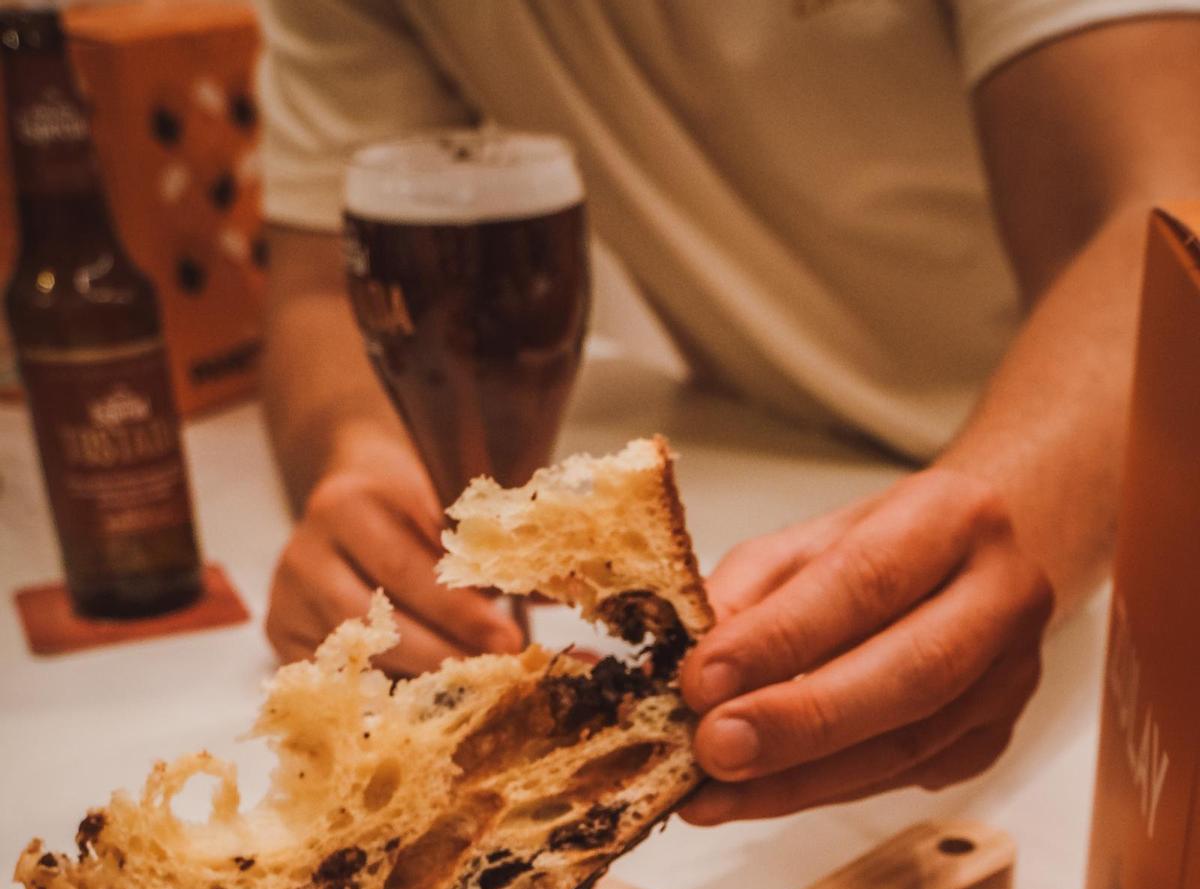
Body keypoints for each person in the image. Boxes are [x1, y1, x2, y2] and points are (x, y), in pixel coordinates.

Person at [255, 0, 1200, 826]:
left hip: (1126, 529)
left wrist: (998, 524)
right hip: (766, 455)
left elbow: (1163, 216)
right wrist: (363, 462)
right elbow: (317, 284)